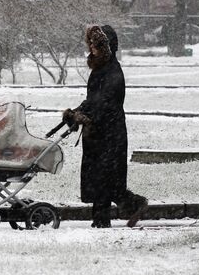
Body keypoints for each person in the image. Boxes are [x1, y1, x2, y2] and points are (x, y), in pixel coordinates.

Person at [63, 25, 148, 228]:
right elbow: (92, 100)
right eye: (90, 43)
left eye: (96, 43)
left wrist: (85, 116)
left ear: (106, 47)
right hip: (99, 133)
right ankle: (123, 210)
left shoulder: (113, 72)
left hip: (110, 133)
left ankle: (104, 220)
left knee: (105, 179)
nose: (91, 46)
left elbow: (105, 102)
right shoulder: (100, 69)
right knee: (102, 180)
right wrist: (75, 113)